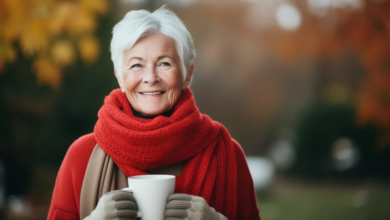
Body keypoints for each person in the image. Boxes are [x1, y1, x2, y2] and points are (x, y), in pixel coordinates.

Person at [47, 6, 260, 220]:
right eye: (136, 65)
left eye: (164, 63)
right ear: (120, 77)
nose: (150, 77)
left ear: (187, 74)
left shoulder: (227, 154)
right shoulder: (81, 156)